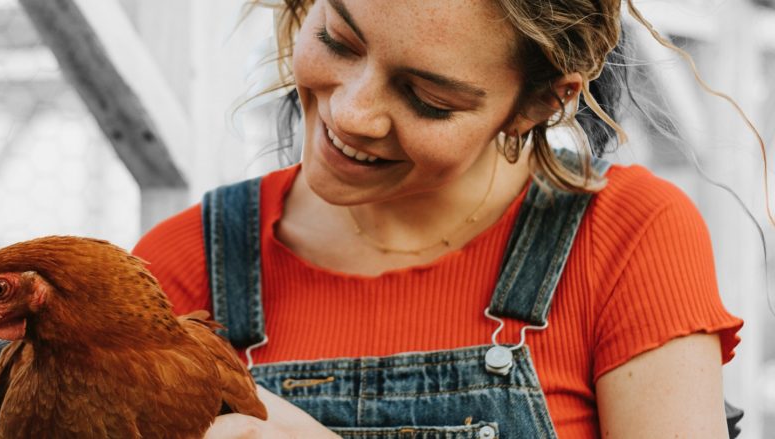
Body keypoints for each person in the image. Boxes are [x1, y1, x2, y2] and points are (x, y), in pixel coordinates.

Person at [132, 0, 746, 437]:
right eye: (338, 41)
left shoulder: (627, 237)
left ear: (538, 103)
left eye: (427, 99)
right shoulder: (181, 266)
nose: (351, 113)